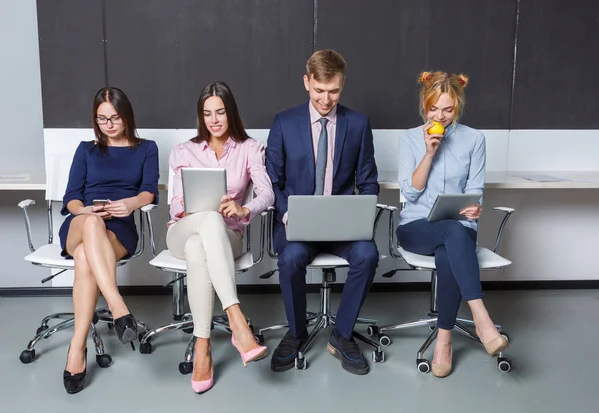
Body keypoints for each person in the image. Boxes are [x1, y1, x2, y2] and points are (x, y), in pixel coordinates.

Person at [266, 50, 379, 375]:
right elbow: (272, 181)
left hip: (343, 228)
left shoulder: (357, 124)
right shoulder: (284, 123)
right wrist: (287, 214)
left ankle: (342, 335)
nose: (326, 99)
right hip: (298, 225)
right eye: (319, 90)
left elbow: (368, 181)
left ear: (342, 85)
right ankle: (297, 332)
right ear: (307, 82)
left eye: (334, 91)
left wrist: (361, 216)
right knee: (290, 260)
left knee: (368, 256)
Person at [396, 71, 509, 378]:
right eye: (434, 109)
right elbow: (410, 192)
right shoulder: (409, 138)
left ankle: (443, 341)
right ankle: (482, 319)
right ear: (424, 105)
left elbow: (476, 190)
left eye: (447, 109)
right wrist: (429, 153)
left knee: (452, 243)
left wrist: (475, 207)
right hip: (416, 227)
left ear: (457, 105)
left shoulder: (474, 139)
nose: (441, 117)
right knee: (452, 231)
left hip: (458, 230)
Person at [167, 81, 272, 393]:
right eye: (207, 113)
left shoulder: (250, 148)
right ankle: (237, 321)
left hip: (228, 238)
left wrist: (243, 209)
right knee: (205, 222)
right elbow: (173, 204)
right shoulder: (183, 151)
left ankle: (202, 348)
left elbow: (267, 193)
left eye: (220, 112)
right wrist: (184, 207)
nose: (214, 120)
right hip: (181, 232)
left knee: (204, 240)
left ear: (231, 113)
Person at [59, 87, 159, 393]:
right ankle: (119, 308)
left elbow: (149, 190)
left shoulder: (146, 148)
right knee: (89, 223)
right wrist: (86, 210)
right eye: (102, 119)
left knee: (84, 258)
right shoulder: (86, 149)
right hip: (80, 224)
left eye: (115, 118)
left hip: (120, 229)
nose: (109, 125)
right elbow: (71, 198)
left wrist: (130, 203)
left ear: (126, 116)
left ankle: (77, 349)